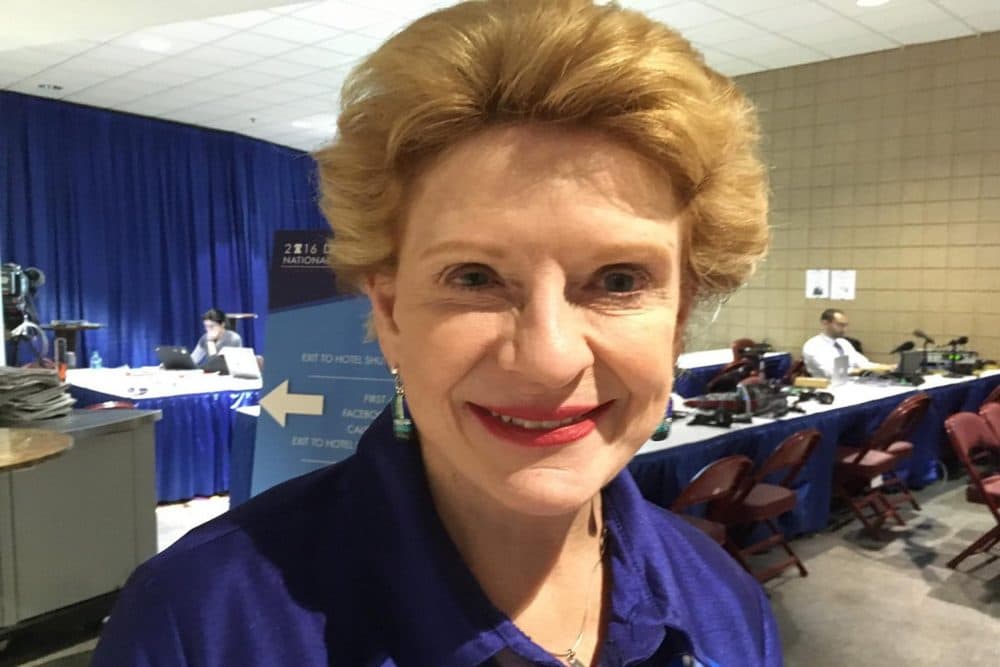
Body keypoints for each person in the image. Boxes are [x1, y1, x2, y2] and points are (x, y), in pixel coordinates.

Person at [92, 1, 778, 665]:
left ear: (680, 316)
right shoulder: (199, 626)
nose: (547, 358)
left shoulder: (724, 602)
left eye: (620, 280)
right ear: (389, 313)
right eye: (475, 277)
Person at [802, 308, 876, 378]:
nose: (844, 329)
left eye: (846, 325)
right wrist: (860, 371)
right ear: (825, 323)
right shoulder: (813, 345)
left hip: (849, 383)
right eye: (840, 325)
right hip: (826, 386)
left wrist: (883, 368)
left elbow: (862, 362)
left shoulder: (843, 343)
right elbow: (830, 372)